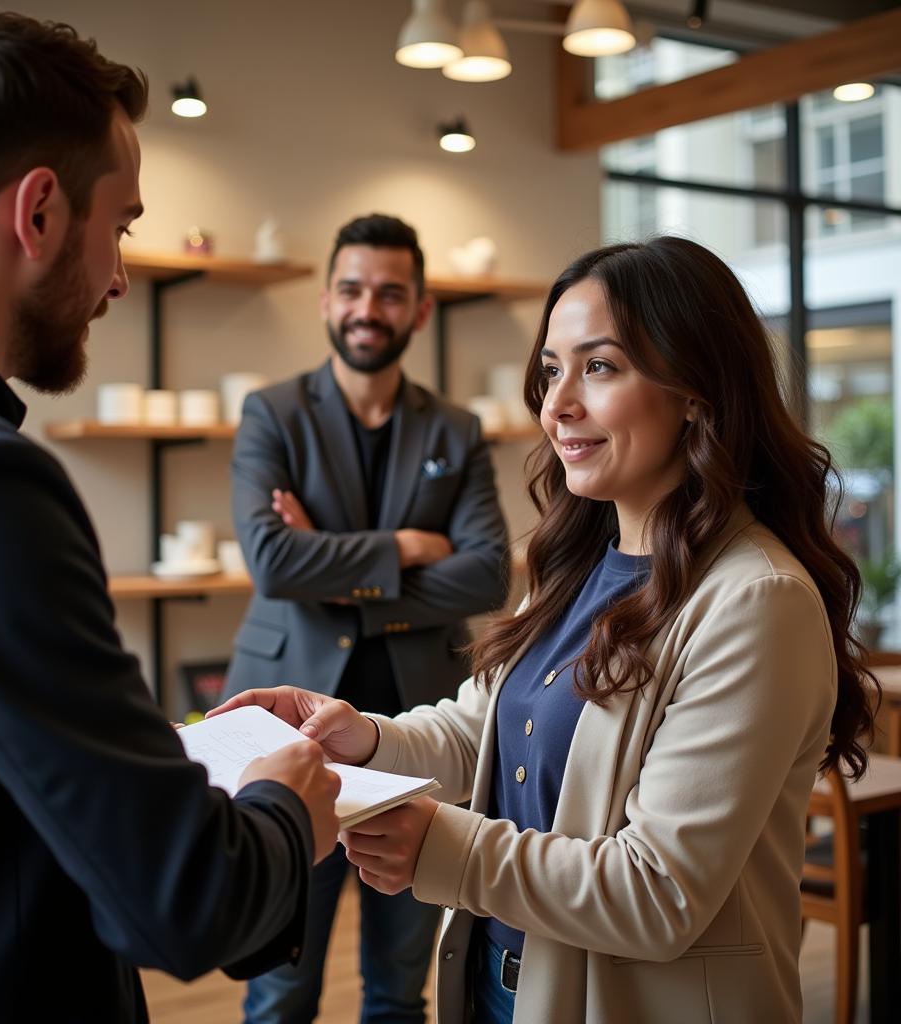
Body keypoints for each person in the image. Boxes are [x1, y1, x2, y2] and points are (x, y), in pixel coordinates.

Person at [218, 236, 880, 1023]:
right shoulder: (583, 564)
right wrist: (357, 735)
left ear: (696, 389)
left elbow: (658, 890)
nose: (558, 405)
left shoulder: (755, 601)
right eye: (552, 370)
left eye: (599, 367)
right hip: (510, 985)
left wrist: (440, 846)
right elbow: (480, 728)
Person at [0, 13, 342, 1023]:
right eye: (120, 224)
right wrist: (281, 804)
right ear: (39, 211)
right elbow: (181, 900)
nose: (120, 278)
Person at [224, 212, 510, 1022]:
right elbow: (273, 563)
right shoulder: (272, 413)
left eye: (390, 293)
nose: (367, 308)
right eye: (352, 289)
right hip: (289, 740)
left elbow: (487, 573)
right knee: (279, 991)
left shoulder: (456, 430)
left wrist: (335, 561)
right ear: (325, 301)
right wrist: (410, 546)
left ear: (418, 309)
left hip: (411, 742)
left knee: (397, 989)